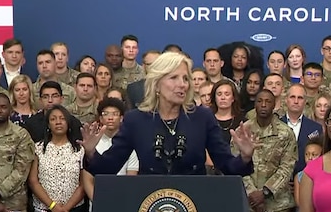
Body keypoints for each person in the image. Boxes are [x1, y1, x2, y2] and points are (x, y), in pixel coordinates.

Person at [80, 52, 257, 176]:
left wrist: (245, 157)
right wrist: (90, 153)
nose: (182, 84)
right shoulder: (136, 120)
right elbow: (108, 167)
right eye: (174, 78)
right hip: (149, 207)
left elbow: (227, 165)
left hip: (193, 206)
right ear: (156, 84)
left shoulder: (202, 117)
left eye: (185, 78)